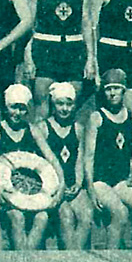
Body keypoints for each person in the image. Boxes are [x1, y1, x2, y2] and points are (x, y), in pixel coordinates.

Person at [0, 84, 65, 250]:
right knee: (17, 217)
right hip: (5, 191)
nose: (17, 113)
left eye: (22, 109)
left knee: (42, 218)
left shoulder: (32, 130)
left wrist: (62, 184)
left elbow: (52, 159)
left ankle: (26, 260)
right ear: (6, 108)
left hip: (30, 190)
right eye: (14, 107)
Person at [83, 69, 132, 249]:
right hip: (101, 181)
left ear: (124, 91)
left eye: (117, 88)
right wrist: (91, 189)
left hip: (122, 180)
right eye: (109, 89)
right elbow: (88, 157)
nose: (113, 93)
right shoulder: (97, 117)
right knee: (120, 212)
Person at [24, 0, 93, 119]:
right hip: (45, 49)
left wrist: (90, 59)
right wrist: (28, 58)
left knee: (70, 107)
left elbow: (86, 24)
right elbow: (28, 25)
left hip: (73, 50)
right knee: (42, 106)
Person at [39, 81, 93, 249]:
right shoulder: (44, 127)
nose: (64, 108)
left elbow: (79, 159)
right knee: (66, 216)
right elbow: (43, 163)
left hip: (72, 184)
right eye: (60, 104)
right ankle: (72, 260)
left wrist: (78, 183)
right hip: (54, 187)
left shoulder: (78, 128)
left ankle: (74, 257)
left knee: (86, 214)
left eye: (69, 104)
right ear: (53, 104)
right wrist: (57, 187)